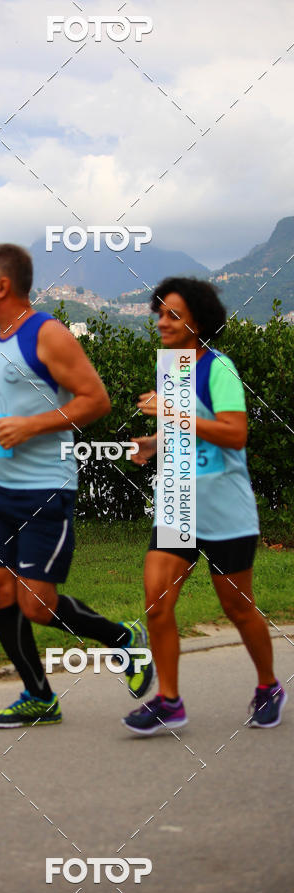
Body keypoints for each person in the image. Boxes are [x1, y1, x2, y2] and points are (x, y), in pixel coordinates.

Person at [0, 243, 154, 728]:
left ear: (2, 286)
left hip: (44, 489)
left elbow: (95, 400)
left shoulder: (47, 334)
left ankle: (123, 639)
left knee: (37, 603)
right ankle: (38, 696)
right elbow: (4, 414)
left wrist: (31, 427)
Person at [123, 276, 286, 735]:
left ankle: (269, 686)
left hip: (224, 510)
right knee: (157, 603)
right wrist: (152, 443)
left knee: (238, 607)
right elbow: (185, 430)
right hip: (178, 504)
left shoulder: (219, 369)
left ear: (198, 322)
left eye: (173, 315)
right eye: (159, 314)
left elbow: (234, 434)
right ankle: (169, 701)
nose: (162, 322)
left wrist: (171, 414)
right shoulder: (171, 368)